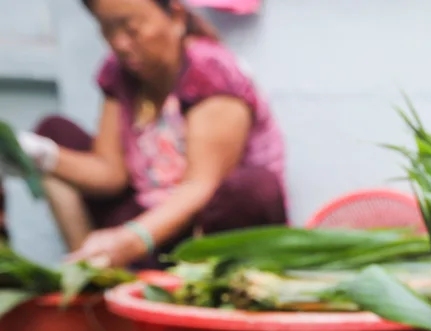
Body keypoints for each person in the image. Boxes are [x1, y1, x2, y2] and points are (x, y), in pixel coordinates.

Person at [8, 0, 287, 270]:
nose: (119, 43)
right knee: (54, 132)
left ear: (176, 17)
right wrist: (39, 154)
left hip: (202, 229)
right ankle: (90, 275)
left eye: (130, 29)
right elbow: (111, 174)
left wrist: (131, 240)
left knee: (250, 189)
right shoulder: (119, 73)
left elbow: (199, 186)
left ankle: (193, 293)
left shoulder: (211, 73)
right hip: (149, 215)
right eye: (106, 29)